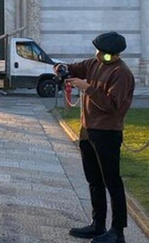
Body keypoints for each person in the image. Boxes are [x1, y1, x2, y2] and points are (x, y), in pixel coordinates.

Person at [55, 32, 135, 243]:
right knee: (94, 180)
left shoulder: (122, 73)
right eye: (99, 52)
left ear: (116, 55)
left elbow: (111, 105)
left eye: (107, 54)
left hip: (108, 133)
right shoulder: (93, 63)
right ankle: (97, 225)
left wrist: (86, 87)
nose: (101, 56)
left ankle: (118, 232)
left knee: (112, 182)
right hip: (88, 130)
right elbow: (74, 67)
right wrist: (62, 68)